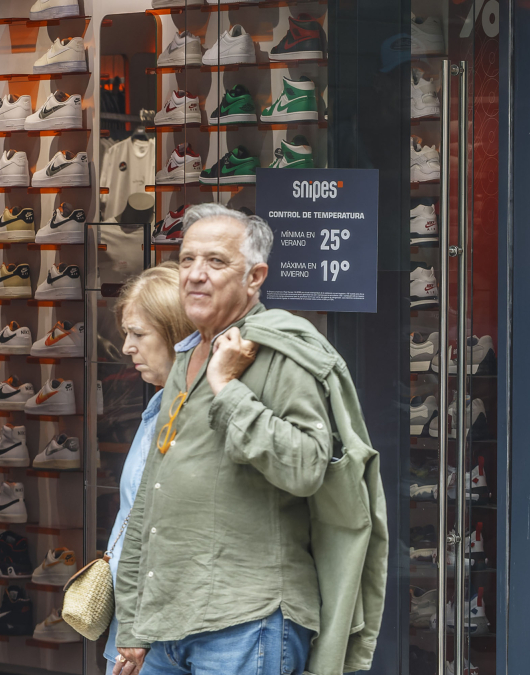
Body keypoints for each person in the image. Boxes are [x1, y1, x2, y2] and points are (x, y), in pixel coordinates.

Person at [113, 204, 387, 675]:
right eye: (187, 260)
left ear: (255, 277)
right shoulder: (186, 359)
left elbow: (306, 468)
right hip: (166, 625)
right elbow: (149, 503)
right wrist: (133, 624)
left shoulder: (282, 351)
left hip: (247, 622)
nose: (196, 275)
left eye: (216, 262)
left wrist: (226, 388)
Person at [104, 262, 195, 675]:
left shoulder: (196, 414)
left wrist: (136, 627)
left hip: (163, 625)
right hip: (139, 620)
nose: (126, 347)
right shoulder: (158, 406)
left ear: (178, 335)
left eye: (138, 334)